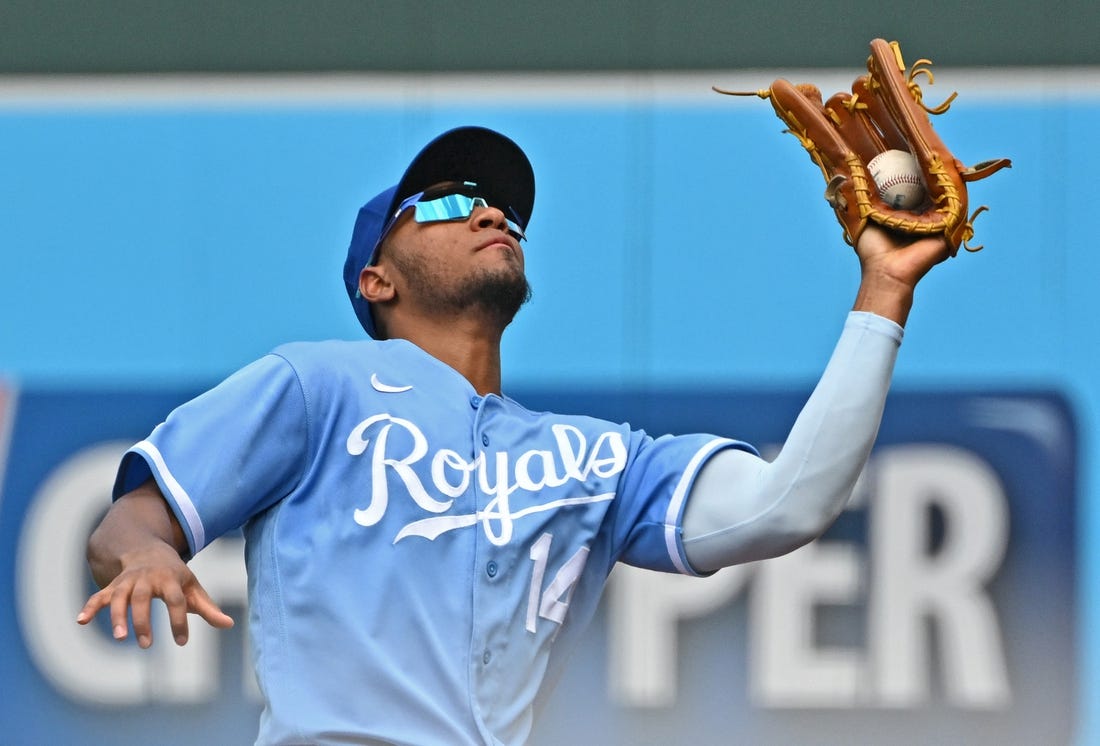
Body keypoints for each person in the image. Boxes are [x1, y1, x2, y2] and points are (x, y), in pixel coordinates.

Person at [78, 125, 950, 745]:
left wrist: (884, 292)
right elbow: (130, 524)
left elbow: (786, 504)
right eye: (451, 201)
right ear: (377, 278)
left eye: (504, 209)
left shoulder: (602, 458)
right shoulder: (317, 384)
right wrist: (149, 556)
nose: (491, 214)